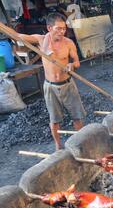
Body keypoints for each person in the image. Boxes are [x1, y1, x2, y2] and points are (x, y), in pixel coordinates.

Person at [7, 13, 85, 150]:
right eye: (58, 28)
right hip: (50, 87)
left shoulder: (69, 43)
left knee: (77, 116)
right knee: (54, 120)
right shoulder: (41, 40)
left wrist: (72, 65)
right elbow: (17, 36)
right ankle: (58, 146)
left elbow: (77, 62)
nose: (62, 32)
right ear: (49, 28)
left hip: (67, 84)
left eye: (64, 29)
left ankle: (81, 144)